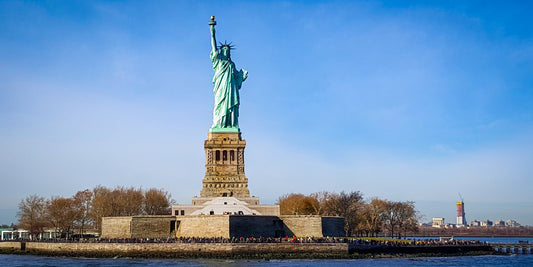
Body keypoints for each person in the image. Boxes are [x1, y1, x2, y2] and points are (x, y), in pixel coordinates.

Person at [209, 17, 248, 131]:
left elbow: (237, 80)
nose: (226, 51)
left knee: (230, 106)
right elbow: (213, 44)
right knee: (220, 106)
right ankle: (219, 125)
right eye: (224, 49)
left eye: (228, 49)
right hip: (221, 89)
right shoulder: (218, 61)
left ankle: (230, 125)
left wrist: (242, 77)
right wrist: (212, 30)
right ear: (221, 51)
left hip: (231, 89)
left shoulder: (232, 64)